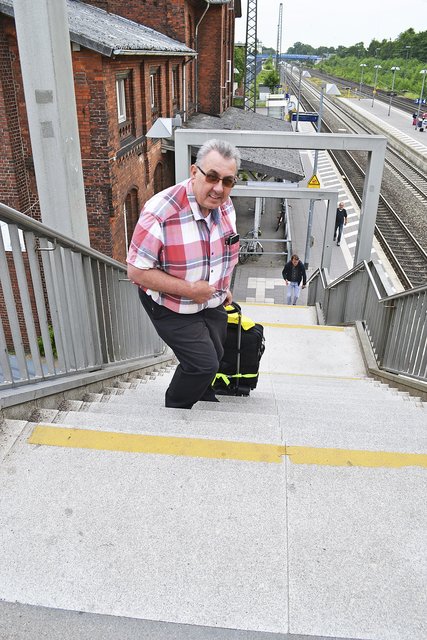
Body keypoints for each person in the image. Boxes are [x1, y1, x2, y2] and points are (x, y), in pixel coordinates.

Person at [127, 139, 241, 409]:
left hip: (212, 298)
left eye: (227, 181)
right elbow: (136, 271)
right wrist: (190, 290)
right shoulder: (160, 212)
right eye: (211, 177)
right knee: (202, 363)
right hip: (171, 304)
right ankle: (176, 407)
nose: (218, 188)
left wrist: (223, 287)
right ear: (194, 172)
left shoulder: (224, 205)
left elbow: (222, 250)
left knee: (218, 351)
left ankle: (201, 392)